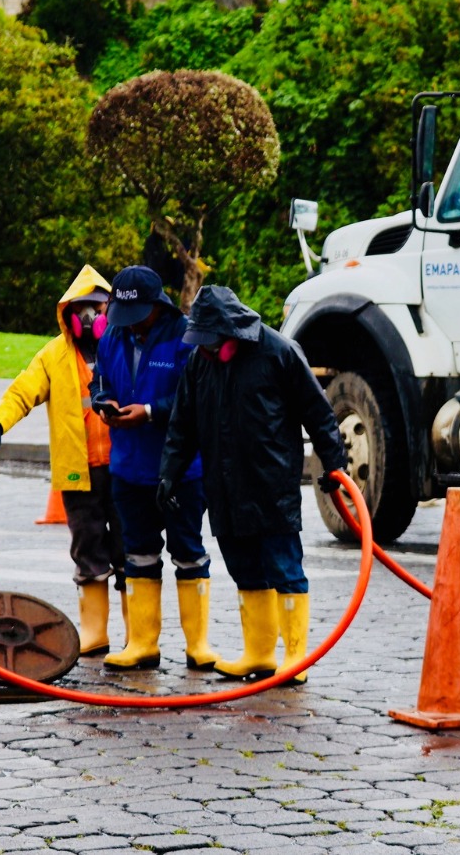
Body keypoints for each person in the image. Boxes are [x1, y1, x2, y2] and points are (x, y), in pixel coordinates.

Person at [159, 285, 347, 684]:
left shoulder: (278, 352)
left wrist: (333, 465)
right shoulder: (199, 364)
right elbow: (182, 425)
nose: (206, 349)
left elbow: (319, 413)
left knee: (284, 568)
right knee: (244, 568)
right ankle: (259, 654)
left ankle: (295, 656)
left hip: (270, 485)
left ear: (232, 332)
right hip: (224, 488)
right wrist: (169, 474)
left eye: (211, 343)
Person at [0, 265, 127, 657]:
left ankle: (139, 638)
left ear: (110, 309)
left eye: (97, 307)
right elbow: (22, 393)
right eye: (80, 308)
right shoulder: (53, 355)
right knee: (87, 551)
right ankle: (94, 632)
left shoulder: (123, 348)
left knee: (130, 551)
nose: (88, 317)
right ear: (67, 313)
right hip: (77, 473)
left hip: (125, 471)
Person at [90, 265, 217, 671]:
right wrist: (102, 401)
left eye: (136, 316)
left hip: (180, 470)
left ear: (156, 307)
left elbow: (195, 399)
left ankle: (198, 646)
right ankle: (142, 644)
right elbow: (99, 381)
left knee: (188, 553)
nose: (129, 325)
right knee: (137, 554)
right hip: (127, 470)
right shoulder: (112, 336)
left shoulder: (185, 339)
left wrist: (147, 412)